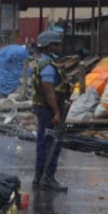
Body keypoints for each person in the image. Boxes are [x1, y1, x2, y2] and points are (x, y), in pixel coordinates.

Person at [31, 30, 72, 192]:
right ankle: (47, 178)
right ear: (48, 47)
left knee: (44, 142)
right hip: (48, 110)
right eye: (56, 44)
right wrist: (56, 112)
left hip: (45, 109)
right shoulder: (47, 66)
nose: (59, 46)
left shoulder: (44, 62)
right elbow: (49, 92)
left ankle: (39, 178)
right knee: (52, 143)